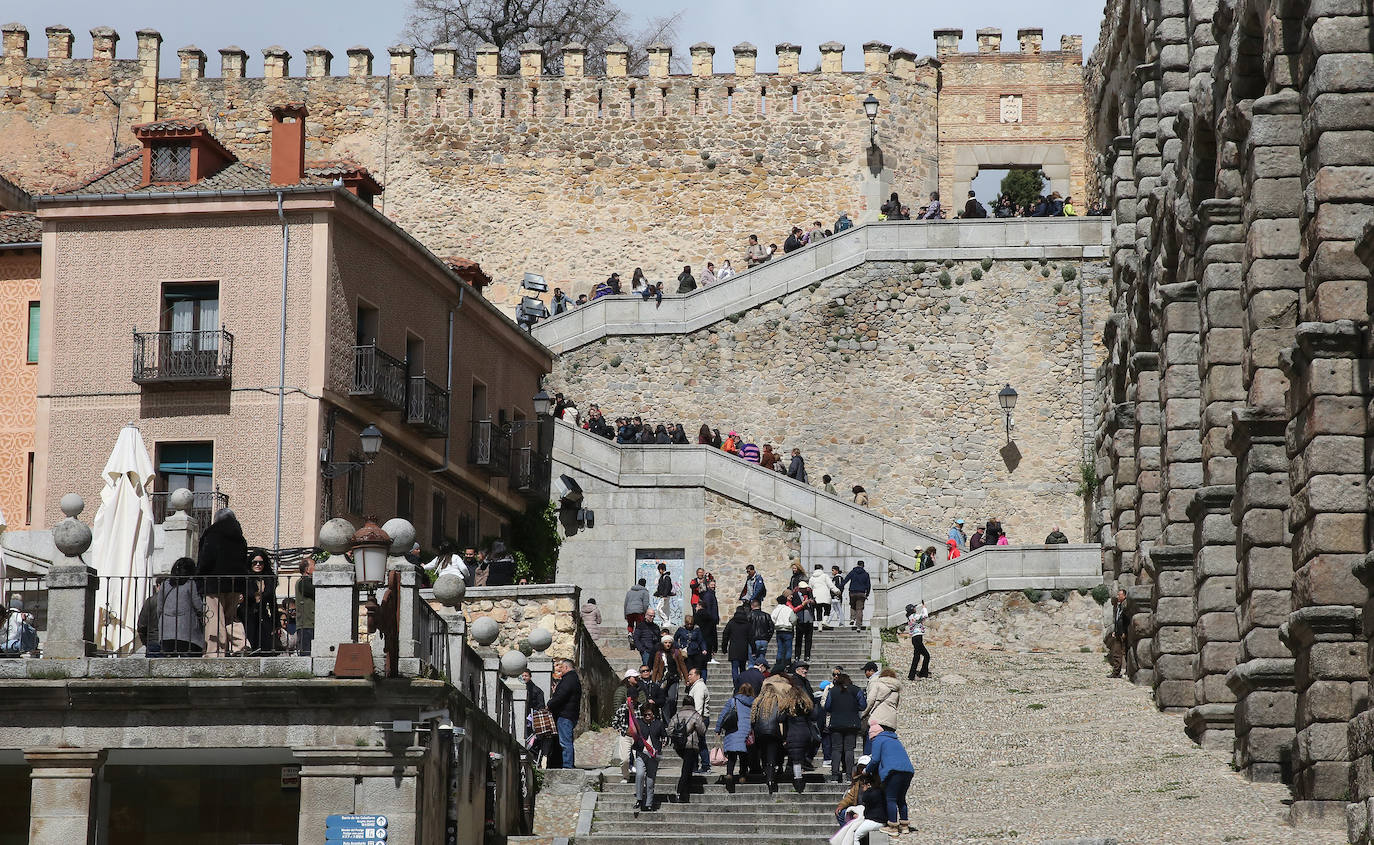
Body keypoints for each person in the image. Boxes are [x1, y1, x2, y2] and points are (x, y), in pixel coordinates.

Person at [196, 507, 249, 657]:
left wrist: (199, 575)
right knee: (231, 616)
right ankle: (241, 646)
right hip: (235, 583)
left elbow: (207, 557)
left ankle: (215, 652)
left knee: (214, 618)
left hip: (214, 583)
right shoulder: (239, 537)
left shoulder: (212, 533)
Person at [865, 721, 914, 835]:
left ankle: (893, 827)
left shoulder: (878, 740)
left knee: (891, 799)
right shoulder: (894, 740)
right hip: (908, 771)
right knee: (901, 798)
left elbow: (875, 759)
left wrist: (866, 770)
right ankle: (904, 826)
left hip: (893, 771)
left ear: (872, 735)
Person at [157, 557, 206, 656]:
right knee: (190, 661)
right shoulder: (191, 584)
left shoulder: (165, 584)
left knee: (168, 663)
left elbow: (159, 608)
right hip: (187, 632)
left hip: (166, 631)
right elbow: (198, 607)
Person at [666, 692, 708, 803]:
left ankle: (685, 792)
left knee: (688, 767)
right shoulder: (695, 715)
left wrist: (678, 735)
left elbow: (669, 730)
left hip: (679, 746)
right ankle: (680, 792)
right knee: (686, 769)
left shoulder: (677, 715)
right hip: (690, 745)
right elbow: (702, 730)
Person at [825, 672, 865, 783]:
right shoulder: (856, 690)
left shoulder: (832, 691)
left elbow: (827, 706)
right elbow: (863, 705)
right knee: (849, 750)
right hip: (852, 723)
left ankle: (834, 775)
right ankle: (849, 775)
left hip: (836, 723)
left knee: (836, 750)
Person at [715, 681, 754, 793]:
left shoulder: (733, 701)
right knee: (743, 755)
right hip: (746, 730)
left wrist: (718, 729)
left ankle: (729, 774)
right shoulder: (754, 702)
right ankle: (742, 775)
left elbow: (723, 715)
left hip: (733, 729)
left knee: (732, 755)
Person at [630, 700, 665, 812]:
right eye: (645, 714)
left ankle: (649, 803)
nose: (647, 716)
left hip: (653, 755)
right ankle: (639, 799)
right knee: (639, 774)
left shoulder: (658, 724)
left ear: (653, 714)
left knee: (650, 780)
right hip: (641, 753)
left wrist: (664, 741)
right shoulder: (639, 723)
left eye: (649, 714)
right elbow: (632, 732)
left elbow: (664, 735)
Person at [243, 549, 278, 655]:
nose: (258, 565)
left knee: (266, 647)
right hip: (247, 615)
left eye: (261, 563)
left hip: (263, 616)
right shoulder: (245, 578)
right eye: (255, 562)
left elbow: (273, 602)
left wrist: (276, 623)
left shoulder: (269, 580)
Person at [548, 658, 581, 769]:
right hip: (569, 714)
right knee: (565, 741)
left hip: (565, 715)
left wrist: (550, 704)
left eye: (561, 667)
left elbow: (561, 696)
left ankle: (567, 766)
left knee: (565, 742)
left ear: (566, 667)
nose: (560, 670)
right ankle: (563, 764)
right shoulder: (573, 679)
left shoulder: (568, 680)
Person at [861, 669, 902, 753]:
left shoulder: (878, 685)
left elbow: (870, 701)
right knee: (885, 746)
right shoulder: (896, 690)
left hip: (877, 719)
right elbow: (896, 705)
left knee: (871, 745)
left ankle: (868, 763)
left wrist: (864, 713)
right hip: (891, 721)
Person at [685, 666, 712, 774]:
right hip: (697, 718)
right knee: (695, 743)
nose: (689, 676)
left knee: (700, 742)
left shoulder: (699, 687)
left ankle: (705, 765)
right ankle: (695, 766)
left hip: (699, 719)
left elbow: (698, 706)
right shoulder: (695, 686)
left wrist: (694, 721)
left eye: (691, 674)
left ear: (697, 675)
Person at [721, 605, 753, 688]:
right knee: (742, 668)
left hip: (734, 649)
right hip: (743, 649)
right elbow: (751, 638)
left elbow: (725, 634)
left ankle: (736, 685)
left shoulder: (731, 623)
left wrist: (724, 647)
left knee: (734, 669)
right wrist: (754, 649)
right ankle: (742, 685)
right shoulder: (747, 624)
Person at [696, 576, 720, 665]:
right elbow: (709, 608)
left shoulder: (711, 594)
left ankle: (710, 656)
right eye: (712, 585)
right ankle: (709, 656)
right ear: (708, 585)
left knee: (711, 639)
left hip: (711, 620)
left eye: (714, 585)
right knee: (709, 639)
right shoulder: (708, 595)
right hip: (710, 622)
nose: (713, 586)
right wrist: (711, 619)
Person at [841, 561, 871, 629]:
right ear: (863, 566)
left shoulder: (853, 572)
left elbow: (846, 579)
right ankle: (858, 625)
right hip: (861, 593)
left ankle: (852, 618)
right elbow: (868, 585)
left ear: (857, 565)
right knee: (859, 609)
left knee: (852, 606)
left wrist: (840, 586)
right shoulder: (866, 574)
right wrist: (867, 593)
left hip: (852, 592)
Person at [790, 582, 816, 661]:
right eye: (803, 589)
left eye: (806, 588)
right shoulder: (795, 595)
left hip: (809, 619)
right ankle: (797, 656)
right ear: (800, 589)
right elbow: (794, 606)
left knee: (808, 639)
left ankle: (807, 656)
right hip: (800, 619)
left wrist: (812, 602)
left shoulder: (809, 594)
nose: (805, 590)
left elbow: (815, 603)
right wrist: (803, 604)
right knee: (799, 639)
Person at [905, 601, 930, 679]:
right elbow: (925, 615)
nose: (916, 608)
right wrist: (924, 607)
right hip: (918, 637)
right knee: (926, 655)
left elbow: (921, 618)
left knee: (917, 657)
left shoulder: (910, 617)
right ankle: (922, 673)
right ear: (913, 610)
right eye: (914, 607)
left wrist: (923, 609)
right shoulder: (915, 616)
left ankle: (912, 675)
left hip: (914, 638)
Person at [747, 598, 774, 667]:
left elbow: (747, 629)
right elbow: (771, 628)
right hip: (764, 640)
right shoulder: (766, 615)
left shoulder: (749, 615)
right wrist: (767, 638)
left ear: (752, 606)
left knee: (752, 661)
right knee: (761, 662)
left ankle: (751, 676)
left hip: (753, 640)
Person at [1108, 588, 1128, 678]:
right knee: (1116, 653)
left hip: (1123, 633)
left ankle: (1128, 671)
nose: (1117, 596)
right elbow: (1117, 620)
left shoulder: (1126, 606)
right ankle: (1116, 672)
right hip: (1117, 633)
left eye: (1119, 595)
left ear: (1124, 596)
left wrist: (1124, 632)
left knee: (1125, 653)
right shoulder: (1118, 606)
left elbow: (1126, 620)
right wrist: (1115, 631)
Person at [770, 595, 796, 664]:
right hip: (788, 631)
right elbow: (793, 620)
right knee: (788, 649)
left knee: (780, 649)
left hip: (779, 630)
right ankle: (787, 663)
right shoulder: (789, 609)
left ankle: (778, 662)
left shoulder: (775, 610)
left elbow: (772, 619)